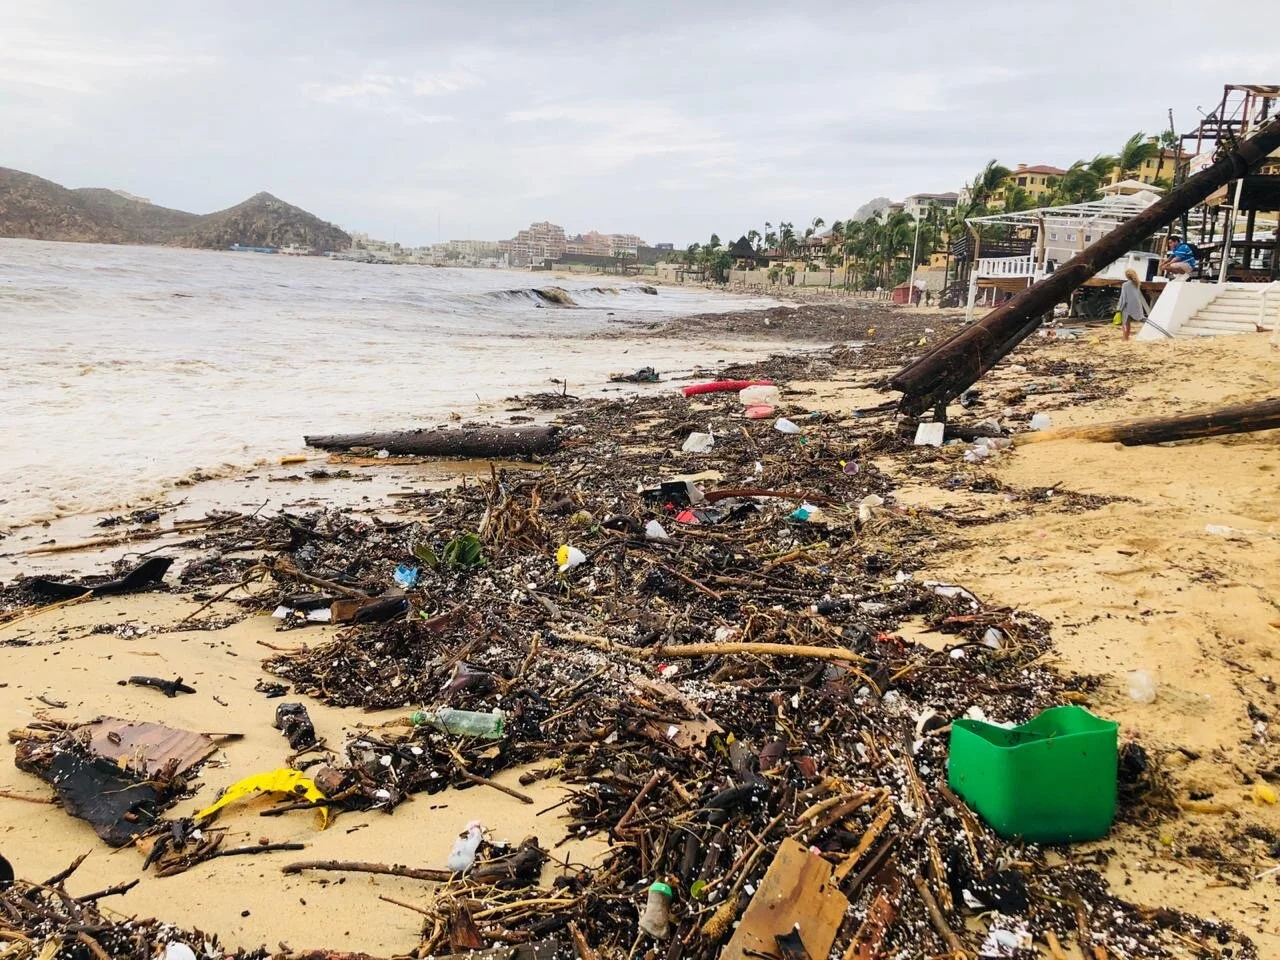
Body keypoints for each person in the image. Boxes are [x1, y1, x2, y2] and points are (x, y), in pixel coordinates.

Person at [1116, 268, 1149, 341]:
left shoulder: (1125, 284)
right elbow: (1137, 295)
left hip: (1127, 305)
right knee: (1129, 323)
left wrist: (1119, 308)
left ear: (1127, 276)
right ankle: (1126, 337)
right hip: (1136, 305)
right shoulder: (1137, 283)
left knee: (1125, 322)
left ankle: (1125, 338)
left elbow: (1123, 298)